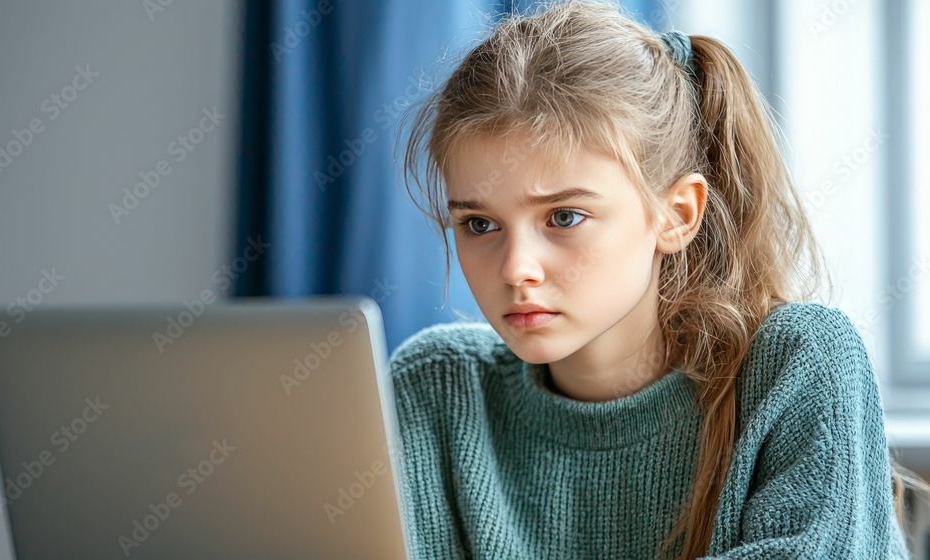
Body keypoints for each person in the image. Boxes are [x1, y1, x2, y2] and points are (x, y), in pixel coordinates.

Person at [389, 1, 929, 558]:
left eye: (564, 217)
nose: (515, 269)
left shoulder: (802, 364)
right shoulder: (437, 388)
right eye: (479, 224)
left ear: (677, 214)